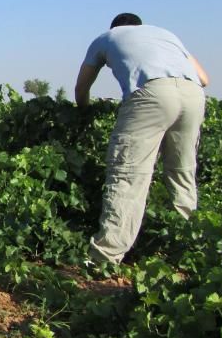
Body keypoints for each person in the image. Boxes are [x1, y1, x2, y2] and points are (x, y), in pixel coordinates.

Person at [74, 13, 209, 265]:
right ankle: (187, 246)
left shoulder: (106, 38)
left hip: (152, 93)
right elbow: (204, 79)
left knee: (128, 174)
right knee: (182, 171)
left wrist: (83, 110)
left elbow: (82, 87)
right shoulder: (167, 35)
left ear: (115, 28)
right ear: (140, 26)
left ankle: (105, 256)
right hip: (194, 95)